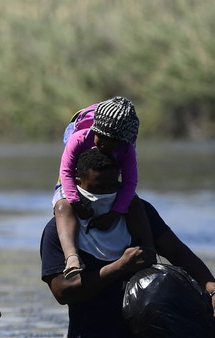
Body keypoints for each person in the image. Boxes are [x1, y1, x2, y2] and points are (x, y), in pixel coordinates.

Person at [40, 148, 215, 338]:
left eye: (112, 188)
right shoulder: (57, 231)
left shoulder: (139, 214)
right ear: (78, 182)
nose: (106, 195)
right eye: (97, 189)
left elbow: (178, 253)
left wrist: (214, 289)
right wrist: (120, 266)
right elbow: (62, 291)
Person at [54, 96, 154, 279]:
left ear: (123, 141)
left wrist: (115, 212)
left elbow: (130, 182)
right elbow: (66, 172)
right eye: (100, 137)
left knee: (134, 202)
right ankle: (72, 258)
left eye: (111, 142)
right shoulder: (79, 139)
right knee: (62, 205)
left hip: (108, 183)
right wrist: (75, 203)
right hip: (76, 181)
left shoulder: (127, 149)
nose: (103, 145)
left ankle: (147, 253)